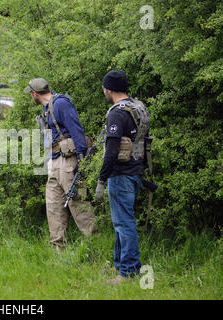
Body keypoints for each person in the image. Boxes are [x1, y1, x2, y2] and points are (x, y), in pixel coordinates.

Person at [25, 78, 98, 251]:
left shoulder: (61, 104)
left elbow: (76, 129)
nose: (31, 97)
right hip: (55, 161)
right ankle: (58, 250)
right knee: (53, 206)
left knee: (78, 203)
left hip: (68, 160)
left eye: (30, 94)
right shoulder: (47, 108)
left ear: (35, 94)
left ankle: (94, 245)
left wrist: (81, 160)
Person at [95, 70, 149, 285]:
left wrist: (101, 180)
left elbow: (111, 150)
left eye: (104, 88)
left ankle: (128, 273)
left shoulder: (117, 113)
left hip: (121, 175)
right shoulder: (137, 107)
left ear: (109, 89)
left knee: (124, 224)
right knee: (121, 223)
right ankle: (120, 267)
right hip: (135, 172)